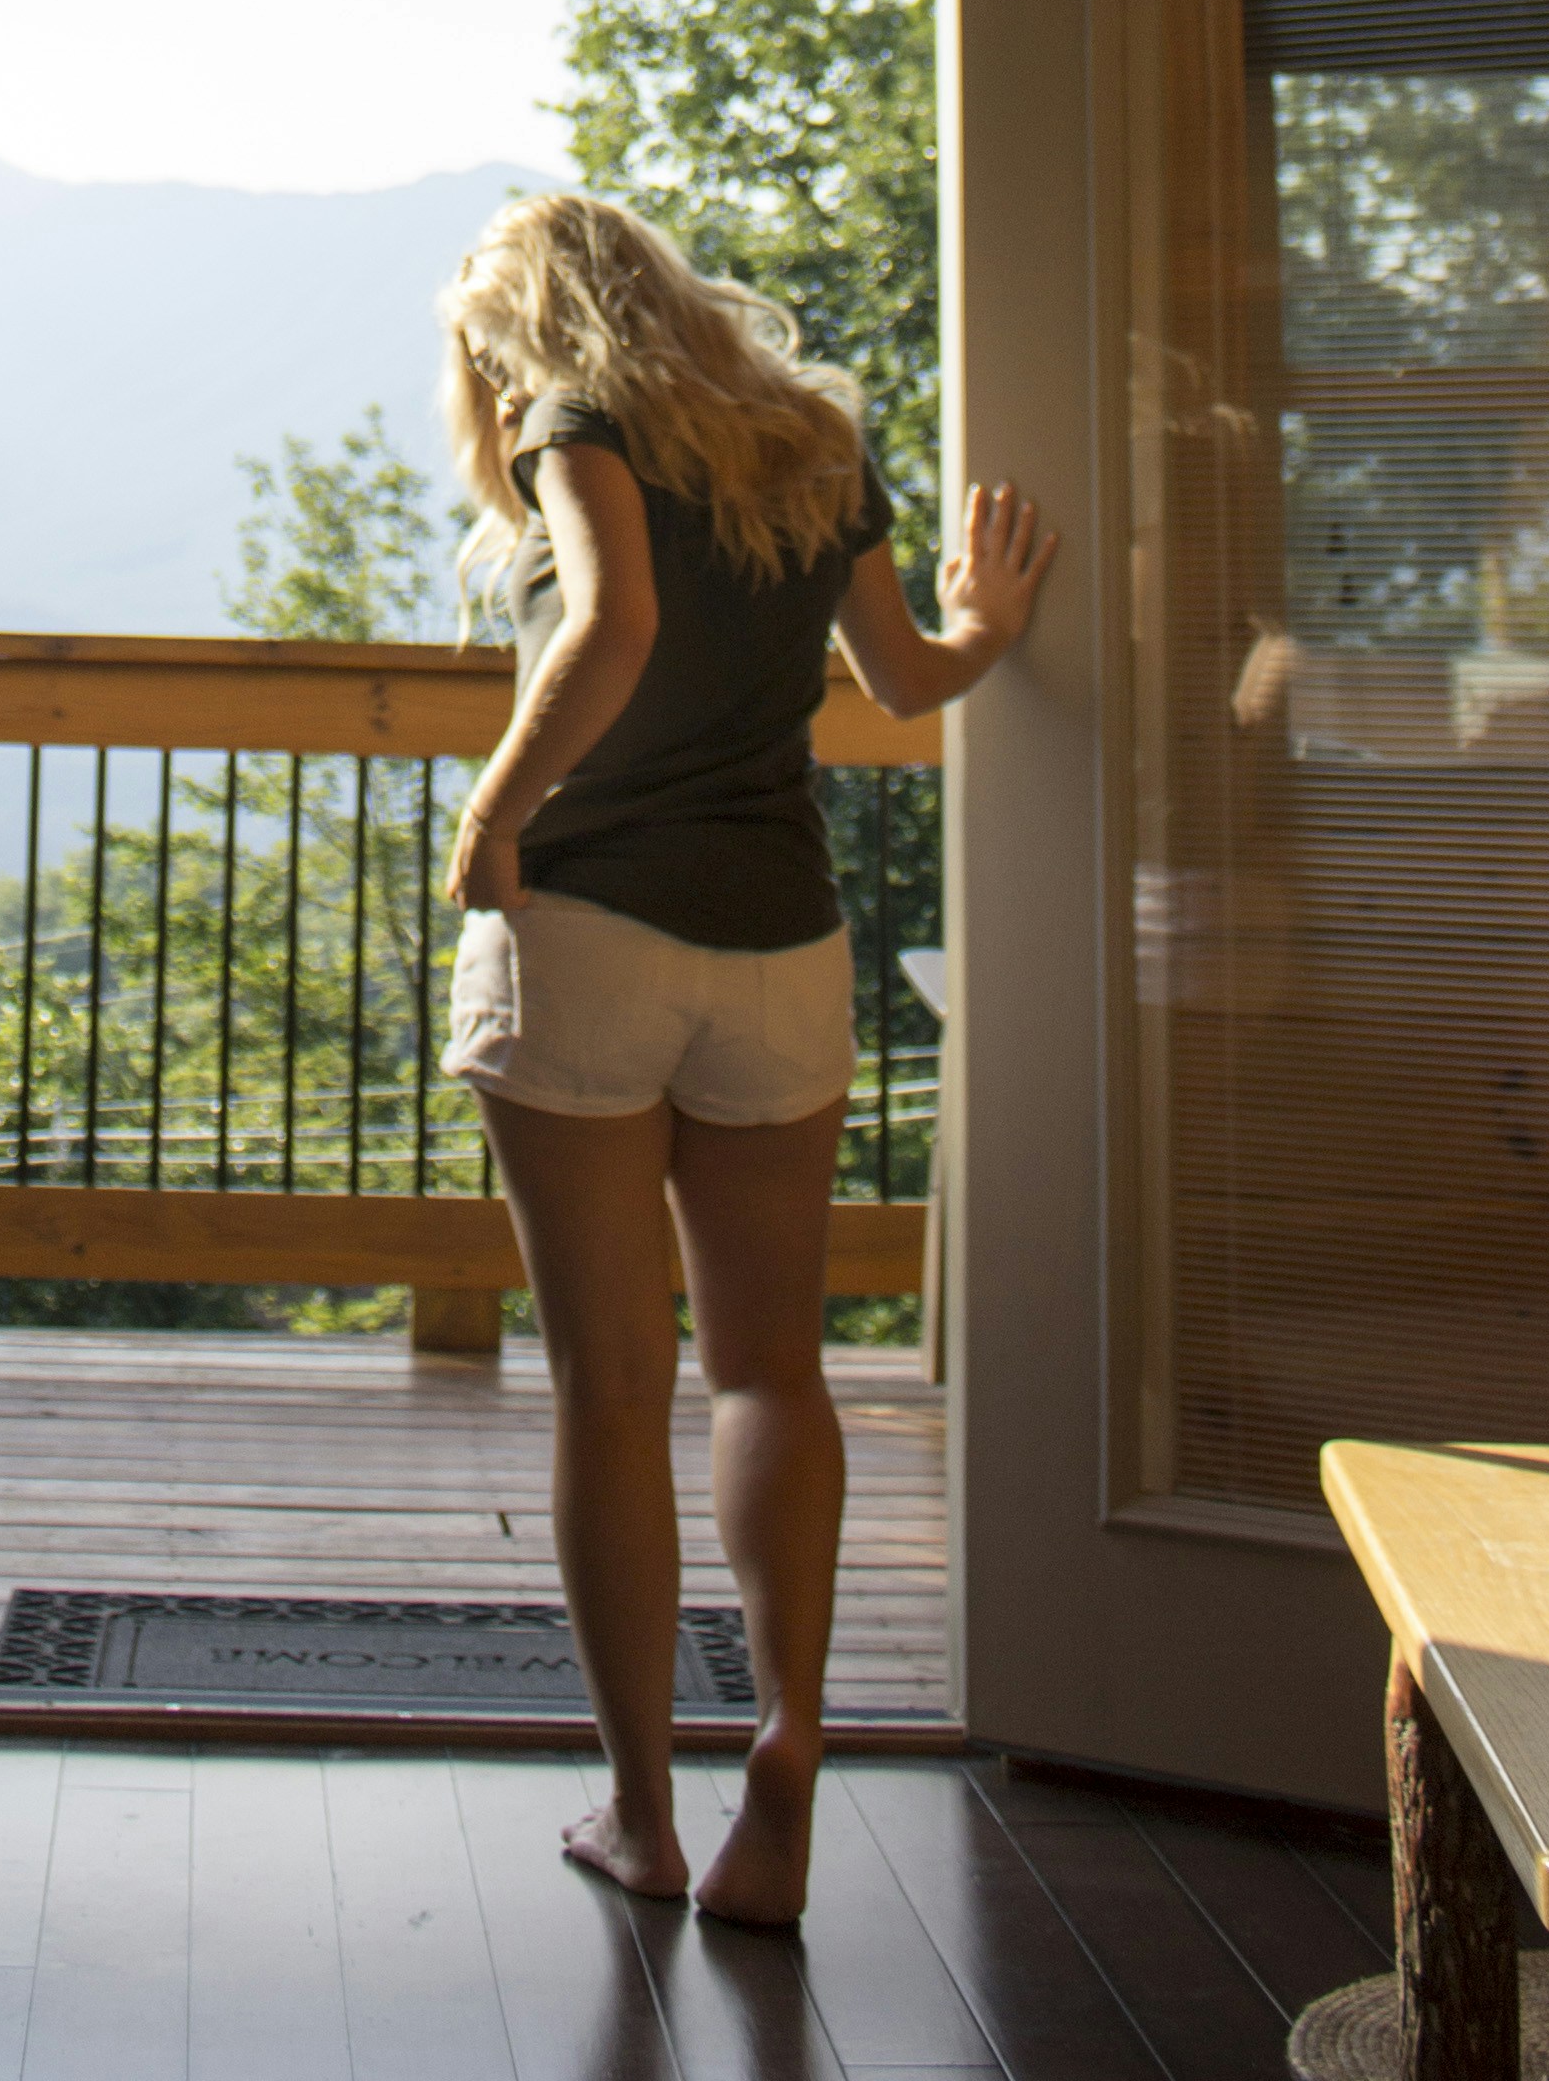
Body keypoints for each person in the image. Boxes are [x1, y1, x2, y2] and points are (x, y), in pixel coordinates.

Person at [435, 190, 1053, 1927]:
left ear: (529, 325)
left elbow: (609, 622)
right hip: (783, 943)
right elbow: (907, 675)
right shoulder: (808, 435)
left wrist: (493, 810)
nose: (484, 377)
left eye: (485, 344)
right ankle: (787, 1731)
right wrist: (990, 620)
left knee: (614, 1386)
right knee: (776, 1371)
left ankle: (644, 1810)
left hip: (596, 933)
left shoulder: (578, 417)